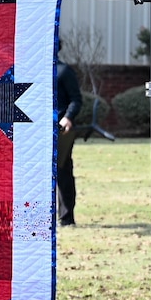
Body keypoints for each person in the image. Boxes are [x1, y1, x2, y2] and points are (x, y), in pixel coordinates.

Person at [55, 57, 84, 226]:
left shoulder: (64, 71)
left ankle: (66, 218)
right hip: (38, 131)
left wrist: (68, 117)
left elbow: (76, 99)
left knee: (62, 171)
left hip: (61, 129)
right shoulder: (35, 71)